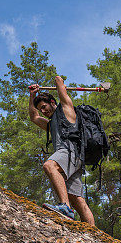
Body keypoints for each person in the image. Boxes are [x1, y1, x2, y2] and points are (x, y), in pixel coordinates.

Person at [28, 76, 96, 225]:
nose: (43, 111)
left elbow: (60, 86)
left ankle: (65, 208)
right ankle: (95, 234)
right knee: (77, 200)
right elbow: (34, 117)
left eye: (44, 106)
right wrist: (33, 95)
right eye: (41, 109)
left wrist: (57, 79)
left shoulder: (66, 110)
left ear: (53, 103)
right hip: (73, 159)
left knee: (49, 165)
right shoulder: (51, 125)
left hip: (70, 151)